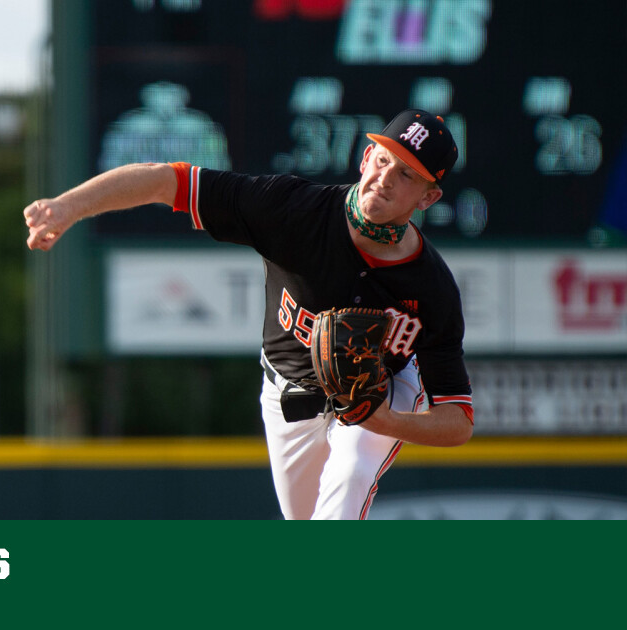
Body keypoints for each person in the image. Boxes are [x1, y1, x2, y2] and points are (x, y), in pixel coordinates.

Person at [23, 109, 473, 520]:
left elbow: (458, 419)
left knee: (351, 477)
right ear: (365, 158)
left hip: (381, 391)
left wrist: (383, 420)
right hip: (287, 393)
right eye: (383, 159)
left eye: (406, 174)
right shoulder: (292, 211)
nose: (386, 178)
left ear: (428, 197)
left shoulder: (431, 288)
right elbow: (166, 181)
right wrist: (67, 207)